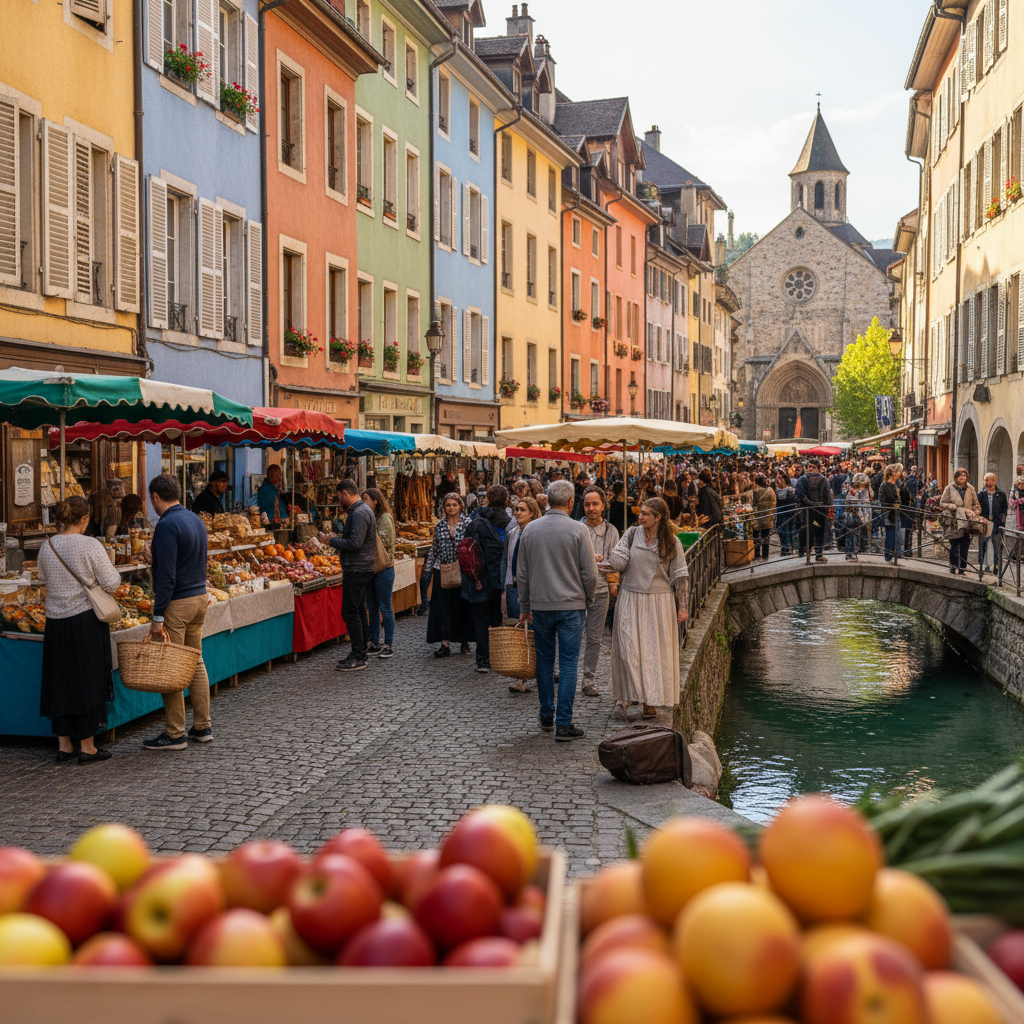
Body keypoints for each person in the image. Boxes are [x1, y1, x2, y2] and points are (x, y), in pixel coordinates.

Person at [38, 496, 121, 764]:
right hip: (85, 621)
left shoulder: (46, 546)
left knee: (60, 679)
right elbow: (112, 583)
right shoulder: (91, 545)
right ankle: (87, 746)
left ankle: (64, 746)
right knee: (88, 679)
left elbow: (42, 578)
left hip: (55, 622)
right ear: (84, 519)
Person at [517, 479, 596, 742]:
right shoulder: (578, 530)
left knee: (544, 660)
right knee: (569, 662)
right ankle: (564, 723)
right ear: (572, 502)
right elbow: (590, 573)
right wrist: (589, 598)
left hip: (541, 605)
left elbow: (523, 573)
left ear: (547, 500)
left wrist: (525, 605)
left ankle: (546, 714)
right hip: (572, 605)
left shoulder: (530, 530)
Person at [601, 498, 688, 721]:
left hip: (659, 602)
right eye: (641, 512)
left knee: (653, 652)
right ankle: (627, 695)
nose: (641, 517)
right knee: (628, 647)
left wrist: (683, 607)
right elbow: (618, 559)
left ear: (658, 517)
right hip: (630, 597)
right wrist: (605, 562)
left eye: (646, 514)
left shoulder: (673, 542)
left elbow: (680, 576)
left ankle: (650, 701)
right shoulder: (631, 534)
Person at [143, 473, 213, 750]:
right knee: (195, 662)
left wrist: (157, 616)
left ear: (156, 497)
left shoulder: (166, 525)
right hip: (199, 598)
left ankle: (174, 733)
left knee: (171, 666)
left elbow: (167, 576)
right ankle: (202, 726)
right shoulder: (195, 519)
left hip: (178, 603)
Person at [318, 480, 376, 670]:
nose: (339, 500)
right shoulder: (362, 510)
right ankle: (361, 650)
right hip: (361, 567)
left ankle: (358, 656)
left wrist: (331, 540)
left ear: (344, 493)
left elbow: (354, 543)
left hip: (357, 568)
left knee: (350, 612)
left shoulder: (359, 512)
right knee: (358, 610)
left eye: (339, 496)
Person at [463, 485, 511, 674]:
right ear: (507, 501)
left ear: (488, 500)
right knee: (496, 619)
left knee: (481, 620)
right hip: (499, 577)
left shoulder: (476, 520)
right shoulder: (511, 523)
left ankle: (482, 660)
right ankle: (496, 656)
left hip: (479, 577)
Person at [422, 493, 475, 658]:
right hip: (443, 571)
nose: (451, 508)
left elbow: (474, 547)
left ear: (460, 506)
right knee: (443, 607)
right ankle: (445, 643)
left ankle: (464, 641)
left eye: (454, 504)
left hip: (464, 571)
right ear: (444, 508)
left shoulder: (468, 523)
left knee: (463, 606)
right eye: (448, 505)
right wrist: (427, 567)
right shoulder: (440, 526)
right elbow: (434, 548)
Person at [580, 486, 620, 697]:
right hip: (576, 591)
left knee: (594, 637)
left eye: (595, 504)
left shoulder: (612, 531)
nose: (591, 508)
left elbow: (614, 561)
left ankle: (589, 679)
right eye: (587, 504)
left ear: (603, 506)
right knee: (570, 635)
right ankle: (561, 673)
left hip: (601, 590)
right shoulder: (576, 528)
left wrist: (612, 580)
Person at [500, 495, 543, 693]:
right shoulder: (511, 533)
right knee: (520, 634)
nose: (517, 512)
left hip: (535, 588)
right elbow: (506, 561)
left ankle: (540, 671)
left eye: (522, 509)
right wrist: (504, 586)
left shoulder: (538, 533)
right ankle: (522, 676)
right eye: (516, 509)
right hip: (514, 586)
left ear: (532, 513)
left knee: (536, 633)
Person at [362, 488, 396, 659]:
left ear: (375, 501)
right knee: (372, 607)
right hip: (370, 567)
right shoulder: (369, 517)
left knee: (385, 607)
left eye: (366, 498)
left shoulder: (384, 518)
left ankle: (388, 643)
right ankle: (374, 641)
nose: (364, 501)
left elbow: (384, 541)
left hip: (384, 568)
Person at [940, 468, 982, 574]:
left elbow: (975, 503)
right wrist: (952, 506)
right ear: (956, 477)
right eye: (960, 475)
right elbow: (942, 503)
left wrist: (976, 510)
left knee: (965, 543)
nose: (962, 477)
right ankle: (953, 565)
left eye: (964, 475)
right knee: (954, 543)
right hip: (954, 520)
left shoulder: (970, 488)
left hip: (967, 520)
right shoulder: (949, 488)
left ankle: (962, 567)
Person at [795, 459, 832, 562]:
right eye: (809, 466)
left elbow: (800, 496)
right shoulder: (806, 480)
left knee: (816, 532)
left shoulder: (804, 480)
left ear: (818, 468)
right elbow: (827, 498)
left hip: (813, 512)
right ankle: (809, 552)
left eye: (812, 467)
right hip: (813, 512)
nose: (810, 469)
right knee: (809, 531)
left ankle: (814, 553)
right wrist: (822, 506)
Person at [978, 473, 1008, 576]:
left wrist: (1002, 518)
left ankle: (996, 568)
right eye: (986, 480)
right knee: (983, 546)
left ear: (995, 481)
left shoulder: (1001, 494)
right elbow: (978, 508)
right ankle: (982, 567)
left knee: (997, 547)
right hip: (984, 523)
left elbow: (1004, 508)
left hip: (996, 523)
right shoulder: (981, 495)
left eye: (991, 480)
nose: (988, 482)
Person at [843, 473, 873, 561]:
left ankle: (850, 553)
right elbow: (864, 503)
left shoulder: (852, 490)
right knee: (854, 534)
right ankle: (852, 553)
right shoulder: (862, 491)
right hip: (856, 515)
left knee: (852, 534)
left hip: (851, 514)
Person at [877, 465, 902, 563]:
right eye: (897, 472)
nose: (899, 474)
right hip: (890, 515)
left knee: (893, 535)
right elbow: (891, 500)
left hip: (892, 514)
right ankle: (890, 555)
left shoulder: (891, 485)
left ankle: (893, 554)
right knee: (891, 535)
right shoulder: (888, 485)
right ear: (893, 474)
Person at [750, 474, 777, 560]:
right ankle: (765, 555)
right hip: (768, 518)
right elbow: (774, 503)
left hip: (757, 518)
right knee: (766, 537)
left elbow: (752, 504)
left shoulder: (755, 492)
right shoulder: (771, 491)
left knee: (756, 537)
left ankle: (757, 554)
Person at [774, 471, 796, 556]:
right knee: (781, 532)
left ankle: (787, 548)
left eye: (780, 478)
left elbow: (792, 502)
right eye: (777, 478)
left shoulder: (790, 490)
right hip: (780, 514)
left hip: (788, 514)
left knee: (786, 531)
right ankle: (784, 548)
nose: (778, 480)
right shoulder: (777, 490)